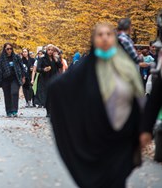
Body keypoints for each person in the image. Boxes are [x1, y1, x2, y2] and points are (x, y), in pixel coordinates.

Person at [48, 23, 145, 188]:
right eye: (100, 35)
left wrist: (143, 129)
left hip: (122, 138)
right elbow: (59, 87)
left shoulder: (126, 68)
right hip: (95, 138)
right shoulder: (85, 69)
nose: (105, 38)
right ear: (94, 39)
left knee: (117, 180)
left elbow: (138, 100)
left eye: (109, 34)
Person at [0, 43, 25, 117]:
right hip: (5, 79)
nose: (9, 50)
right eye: (8, 49)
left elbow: (22, 67)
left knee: (14, 92)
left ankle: (14, 110)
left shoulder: (16, 57)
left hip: (15, 78)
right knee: (7, 95)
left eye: (10, 48)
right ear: (5, 49)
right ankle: (8, 111)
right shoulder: (1, 59)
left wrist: (23, 77)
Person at [35, 45, 62, 116]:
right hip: (45, 79)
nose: (50, 51)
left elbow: (60, 66)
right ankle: (49, 111)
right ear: (46, 51)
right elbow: (38, 69)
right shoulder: (42, 59)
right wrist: (44, 69)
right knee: (47, 95)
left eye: (52, 50)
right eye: (49, 50)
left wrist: (56, 60)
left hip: (54, 79)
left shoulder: (55, 59)